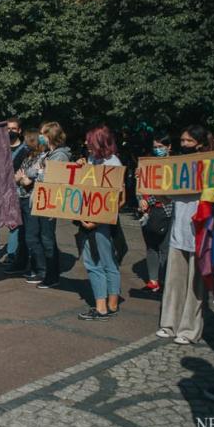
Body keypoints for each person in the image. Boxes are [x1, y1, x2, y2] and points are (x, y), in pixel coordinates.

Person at [156, 125, 210, 344]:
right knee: (174, 281)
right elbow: (170, 196)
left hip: (199, 228)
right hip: (179, 229)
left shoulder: (209, 164)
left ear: (199, 143)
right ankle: (169, 324)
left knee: (195, 283)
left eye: (189, 141)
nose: (185, 144)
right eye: (183, 141)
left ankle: (189, 329)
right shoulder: (177, 164)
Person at [77, 126, 124, 321]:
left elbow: (119, 199)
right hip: (93, 218)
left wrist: (93, 221)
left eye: (89, 142)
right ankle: (111, 304)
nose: (86, 145)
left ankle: (101, 307)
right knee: (108, 261)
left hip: (100, 221)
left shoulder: (112, 164)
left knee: (94, 263)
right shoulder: (95, 160)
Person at [16, 122, 71, 288]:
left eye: (43, 134)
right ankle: (44, 272)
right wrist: (38, 171)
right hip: (40, 201)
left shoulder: (60, 155)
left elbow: (49, 177)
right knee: (39, 237)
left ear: (50, 136)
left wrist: (38, 173)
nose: (40, 137)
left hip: (50, 203)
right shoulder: (47, 154)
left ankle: (52, 275)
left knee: (48, 239)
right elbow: (32, 171)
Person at [0, 118, 30, 264]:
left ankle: (12, 254)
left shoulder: (25, 150)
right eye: (8, 129)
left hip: (16, 191)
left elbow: (24, 172)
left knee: (13, 223)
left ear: (19, 130)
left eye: (13, 129)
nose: (10, 131)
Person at [136, 132, 173, 294]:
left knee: (165, 247)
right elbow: (140, 187)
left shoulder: (174, 165)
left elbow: (170, 194)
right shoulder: (147, 164)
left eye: (161, 147)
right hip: (148, 212)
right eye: (155, 147)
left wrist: (149, 200)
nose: (157, 150)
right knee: (150, 246)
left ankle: (165, 280)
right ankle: (153, 281)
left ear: (169, 147)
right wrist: (140, 201)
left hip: (166, 211)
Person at [8, 129, 43, 277]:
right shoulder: (27, 158)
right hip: (21, 199)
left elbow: (28, 181)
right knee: (22, 235)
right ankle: (21, 264)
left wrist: (23, 178)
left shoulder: (40, 159)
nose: (25, 145)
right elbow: (16, 177)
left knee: (32, 237)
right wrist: (22, 178)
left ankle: (40, 269)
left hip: (31, 201)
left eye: (28, 142)